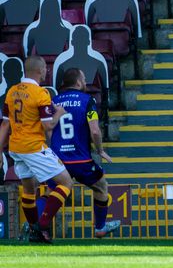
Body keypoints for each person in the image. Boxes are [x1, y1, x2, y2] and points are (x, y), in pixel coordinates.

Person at [0, 56, 71, 243]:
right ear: (40, 71)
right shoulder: (41, 93)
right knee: (66, 183)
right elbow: (48, 127)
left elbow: (5, 126)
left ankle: (34, 231)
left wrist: (0, 151)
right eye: (46, 69)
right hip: (33, 147)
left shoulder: (12, 92)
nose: (47, 71)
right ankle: (43, 224)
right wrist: (59, 113)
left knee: (29, 190)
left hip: (16, 148)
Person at [49, 68, 120, 238]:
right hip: (80, 160)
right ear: (79, 82)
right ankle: (100, 227)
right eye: (84, 78)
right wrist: (100, 150)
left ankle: (35, 224)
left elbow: (47, 129)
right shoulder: (88, 100)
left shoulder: (54, 100)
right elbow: (95, 131)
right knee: (101, 186)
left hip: (58, 159)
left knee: (50, 193)